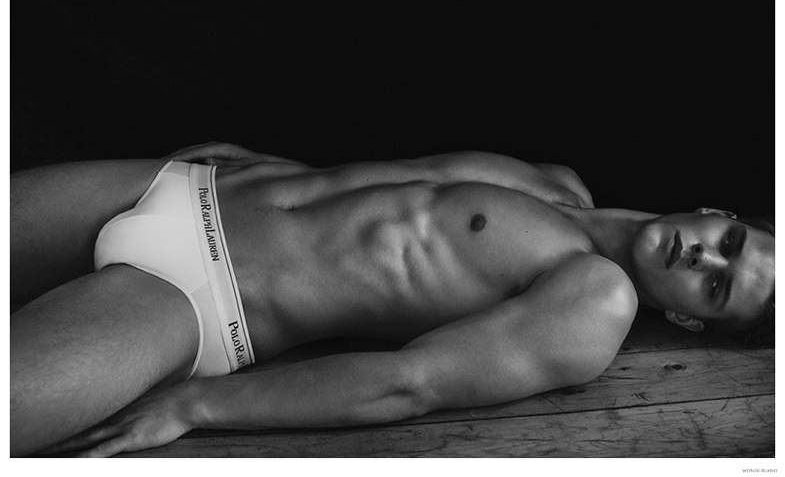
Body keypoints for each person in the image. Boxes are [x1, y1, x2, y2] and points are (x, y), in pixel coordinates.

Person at [10, 143, 775, 457]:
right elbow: (394, 201)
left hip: (199, 294)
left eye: (714, 286)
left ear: (687, 317)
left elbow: (409, 381)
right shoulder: (557, 182)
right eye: (729, 242)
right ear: (718, 212)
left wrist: (195, 407)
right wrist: (258, 162)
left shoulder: (593, 300)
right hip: (186, 184)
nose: (703, 256)